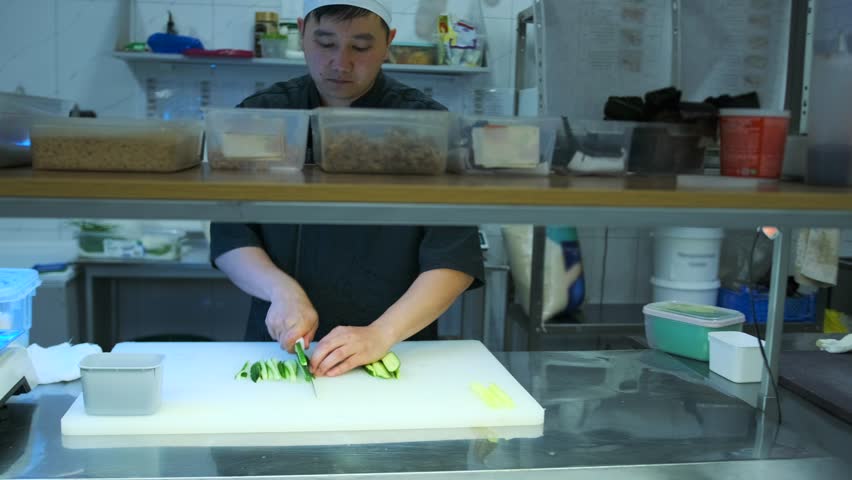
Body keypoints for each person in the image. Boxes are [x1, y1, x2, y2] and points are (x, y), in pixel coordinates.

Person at [210, 0, 484, 379]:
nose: (340, 63)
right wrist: (281, 292)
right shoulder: (261, 116)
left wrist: (381, 333)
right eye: (325, 43)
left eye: (360, 46)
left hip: (397, 352)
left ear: (388, 42)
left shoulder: (429, 127)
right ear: (302, 32)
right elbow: (230, 233)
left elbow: (455, 257)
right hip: (281, 349)